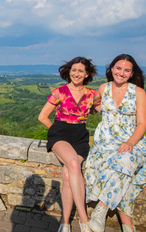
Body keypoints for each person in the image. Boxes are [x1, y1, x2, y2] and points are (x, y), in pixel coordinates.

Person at [84, 54, 146, 232]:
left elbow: (142, 123)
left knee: (125, 161)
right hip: (105, 140)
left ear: (131, 73)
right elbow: (97, 109)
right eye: (118, 68)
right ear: (112, 69)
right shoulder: (103, 88)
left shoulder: (139, 92)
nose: (121, 73)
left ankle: (101, 208)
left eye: (126, 70)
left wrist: (130, 143)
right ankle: (128, 226)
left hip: (131, 139)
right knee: (124, 175)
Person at [38, 57, 101, 232]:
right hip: (60, 134)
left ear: (87, 74)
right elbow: (42, 116)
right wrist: (54, 131)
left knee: (68, 175)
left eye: (81, 71)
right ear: (69, 72)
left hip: (80, 136)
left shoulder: (93, 95)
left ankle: (65, 223)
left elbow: (104, 111)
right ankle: (84, 219)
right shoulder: (60, 91)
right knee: (74, 164)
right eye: (74, 70)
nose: (76, 74)